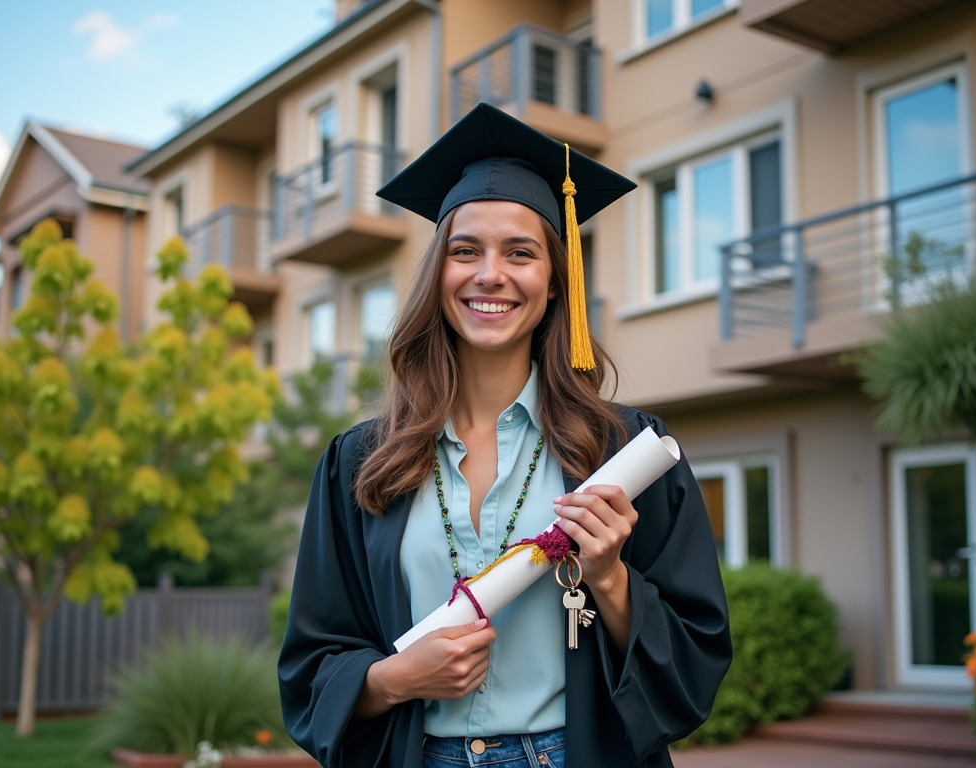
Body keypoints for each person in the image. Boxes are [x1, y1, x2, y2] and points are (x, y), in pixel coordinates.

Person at [278, 103, 731, 768]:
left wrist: (608, 579)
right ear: (439, 278)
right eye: (465, 251)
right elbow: (311, 663)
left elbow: (696, 650)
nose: (490, 274)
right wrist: (394, 678)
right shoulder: (361, 461)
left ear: (554, 283)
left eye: (520, 252)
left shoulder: (625, 451)